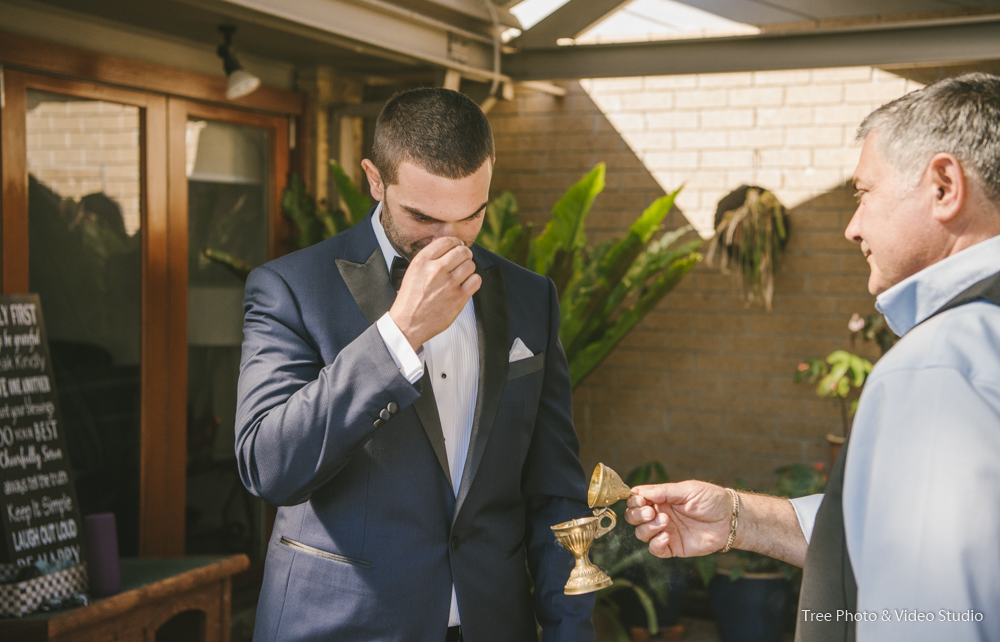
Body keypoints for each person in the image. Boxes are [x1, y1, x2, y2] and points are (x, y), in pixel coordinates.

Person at [625, 72, 1000, 642]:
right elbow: (900, 530)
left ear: (944, 186)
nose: (853, 227)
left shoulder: (942, 362)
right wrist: (738, 517)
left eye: (864, 192)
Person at [235, 88, 595, 642]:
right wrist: (398, 336)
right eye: (423, 216)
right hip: (342, 626)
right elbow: (270, 465)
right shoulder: (289, 288)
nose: (449, 241)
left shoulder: (531, 298)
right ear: (375, 181)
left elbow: (555, 491)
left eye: (470, 215)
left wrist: (572, 634)